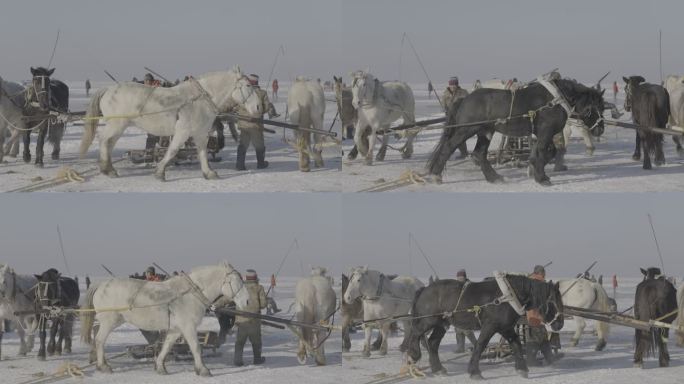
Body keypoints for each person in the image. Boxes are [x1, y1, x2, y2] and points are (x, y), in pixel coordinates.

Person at [234, 74, 278, 171]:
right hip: (256, 124)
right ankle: (261, 163)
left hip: (243, 124)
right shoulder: (262, 93)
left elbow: (236, 106)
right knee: (259, 145)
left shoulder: (242, 92)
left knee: (243, 144)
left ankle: (240, 165)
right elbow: (266, 108)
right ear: (257, 82)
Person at [524, 265, 560, 366]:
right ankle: (531, 361)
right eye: (544, 272)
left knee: (542, 336)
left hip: (531, 314)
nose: (545, 274)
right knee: (535, 338)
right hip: (536, 315)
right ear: (541, 272)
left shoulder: (529, 281)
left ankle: (549, 358)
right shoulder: (540, 283)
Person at [233, 269, 267, 366]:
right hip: (254, 321)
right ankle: (257, 359)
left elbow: (229, 299)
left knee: (239, 342)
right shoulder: (259, 288)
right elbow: (263, 304)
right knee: (256, 342)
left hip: (241, 321)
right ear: (255, 277)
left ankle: (238, 361)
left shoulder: (240, 288)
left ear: (246, 278)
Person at [441, 77, 469, 158]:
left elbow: (469, 105)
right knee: (447, 135)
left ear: (457, 84)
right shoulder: (446, 93)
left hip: (460, 118)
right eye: (451, 85)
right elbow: (444, 104)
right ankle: (446, 153)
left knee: (459, 136)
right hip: (449, 117)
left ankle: (464, 152)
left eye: (454, 84)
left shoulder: (463, 93)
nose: (453, 86)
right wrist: (445, 109)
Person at [454, 269, 478, 353]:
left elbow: (474, 297)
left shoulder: (470, 285)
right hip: (458, 309)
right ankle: (460, 347)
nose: (460, 279)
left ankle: (476, 345)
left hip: (468, 309)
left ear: (464, 277)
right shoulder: (456, 286)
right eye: (458, 277)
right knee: (458, 329)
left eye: (461, 277)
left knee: (467, 330)